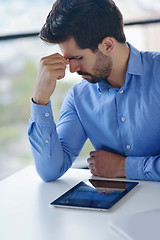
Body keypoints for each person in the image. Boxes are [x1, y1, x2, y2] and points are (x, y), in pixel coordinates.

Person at [28, 0, 160, 182]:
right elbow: (50, 170)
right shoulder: (78, 98)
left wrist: (122, 167)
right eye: (68, 60)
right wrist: (40, 99)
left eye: (78, 58)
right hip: (117, 209)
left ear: (107, 45)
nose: (72, 69)